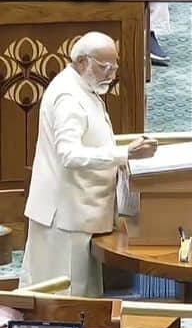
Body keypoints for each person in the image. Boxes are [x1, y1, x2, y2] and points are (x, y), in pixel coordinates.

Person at [20, 32, 158, 297]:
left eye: (114, 67)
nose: (111, 74)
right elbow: (69, 155)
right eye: (104, 67)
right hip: (65, 215)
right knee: (67, 298)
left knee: (83, 296)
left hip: (78, 211)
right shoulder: (68, 98)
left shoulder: (82, 86)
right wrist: (124, 154)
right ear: (82, 61)